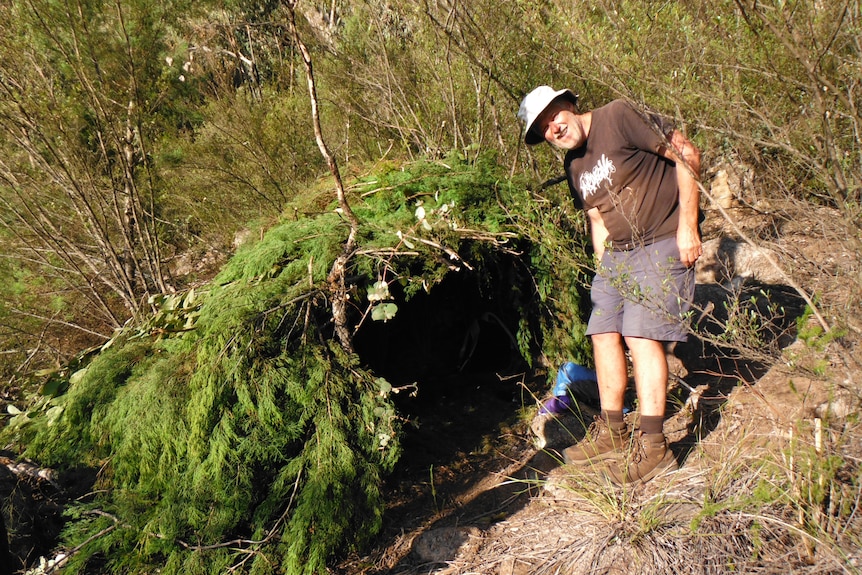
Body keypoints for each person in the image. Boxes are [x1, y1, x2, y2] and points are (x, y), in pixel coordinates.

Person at [518, 86, 703, 484]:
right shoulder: (573, 166)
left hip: (662, 238)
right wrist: (605, 271)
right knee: (602, 333)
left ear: (568, 105)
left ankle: (655, 446)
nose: (553, 127)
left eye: (553, 116)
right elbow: (597, 218)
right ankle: (613, 429)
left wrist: (688, 226)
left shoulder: (618, 115)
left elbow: (686, 154)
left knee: (641, 337)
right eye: (543, 128)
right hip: (619, 255)